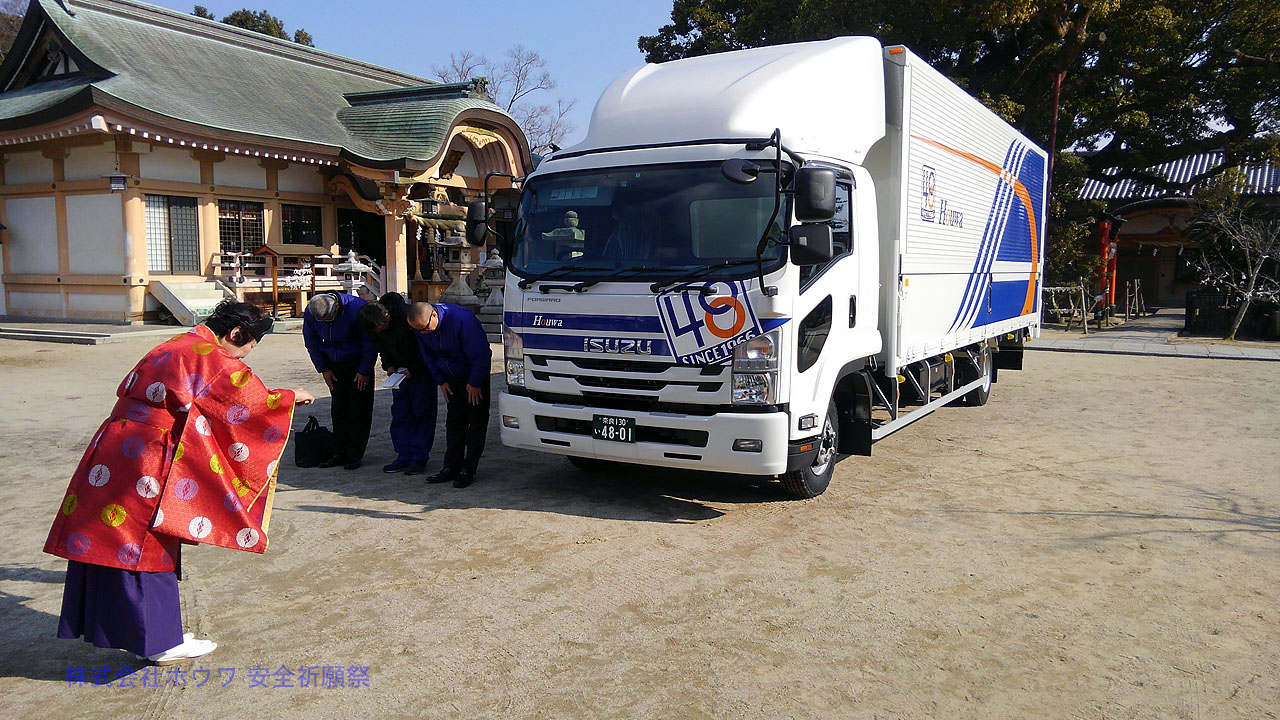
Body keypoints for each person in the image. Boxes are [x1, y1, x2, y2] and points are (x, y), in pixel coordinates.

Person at [43, 300, 315, 665]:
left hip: (116, 441)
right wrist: (289, 398)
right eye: (248, 346)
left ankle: (138, 629)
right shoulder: (212, 357)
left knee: (106, 535)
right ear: (235, 334)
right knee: (144, 540)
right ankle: (159, 641)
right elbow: (250, 404)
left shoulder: (174, 344)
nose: (246, 355)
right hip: (149, 453)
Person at [407, 302, 492, 488]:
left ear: (434, 316)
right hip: (450, 378)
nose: (422, 333)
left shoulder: (463, 320)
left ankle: (468, 469)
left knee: (476, 423)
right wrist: (441, 381)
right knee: (454, 422)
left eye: (425, 328)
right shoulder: (421, 328)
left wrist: (475, 383)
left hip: (472, 377)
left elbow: (481, 354)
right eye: (418, 330)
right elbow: (427, 355)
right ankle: (451, 467)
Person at [357, 294, 437, 475]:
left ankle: (419, 458)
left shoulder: (409, 317)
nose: (380, 331)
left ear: (386, 317)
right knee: (400, 414)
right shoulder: (373, 325)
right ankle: (403, 455)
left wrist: (414, 369)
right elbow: (382, 348)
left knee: (422, 414)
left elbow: (426, 348)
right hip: (399, 374)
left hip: (421, 373)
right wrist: (389, 366)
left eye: (382, 327)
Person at [302, 292, 377, 470]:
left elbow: (369, 342)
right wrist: (323, 369)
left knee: (359, 408)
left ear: (336, 307)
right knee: (339, 408)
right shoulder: (312, 311)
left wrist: (364, 370)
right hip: (333, 364)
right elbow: (311, 340)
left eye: (329, 318)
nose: (327, 322)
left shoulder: (357, 309)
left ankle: (354, 454)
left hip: (357, 363)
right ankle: (338, 452)